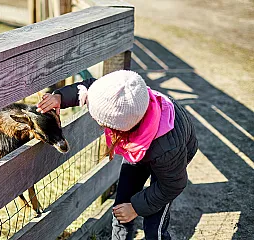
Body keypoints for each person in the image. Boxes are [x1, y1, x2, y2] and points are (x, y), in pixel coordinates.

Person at [36, 70, 198, 240]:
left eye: (102, 123)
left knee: (154, 223)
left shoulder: (168, 148)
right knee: (121, 207)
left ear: (119, 130)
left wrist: (135, 208)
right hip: (139, 146)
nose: (99, 125)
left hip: (169, 160)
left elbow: (172, 185)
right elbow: (90, 88)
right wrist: (60, 97)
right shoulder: (115, 94)